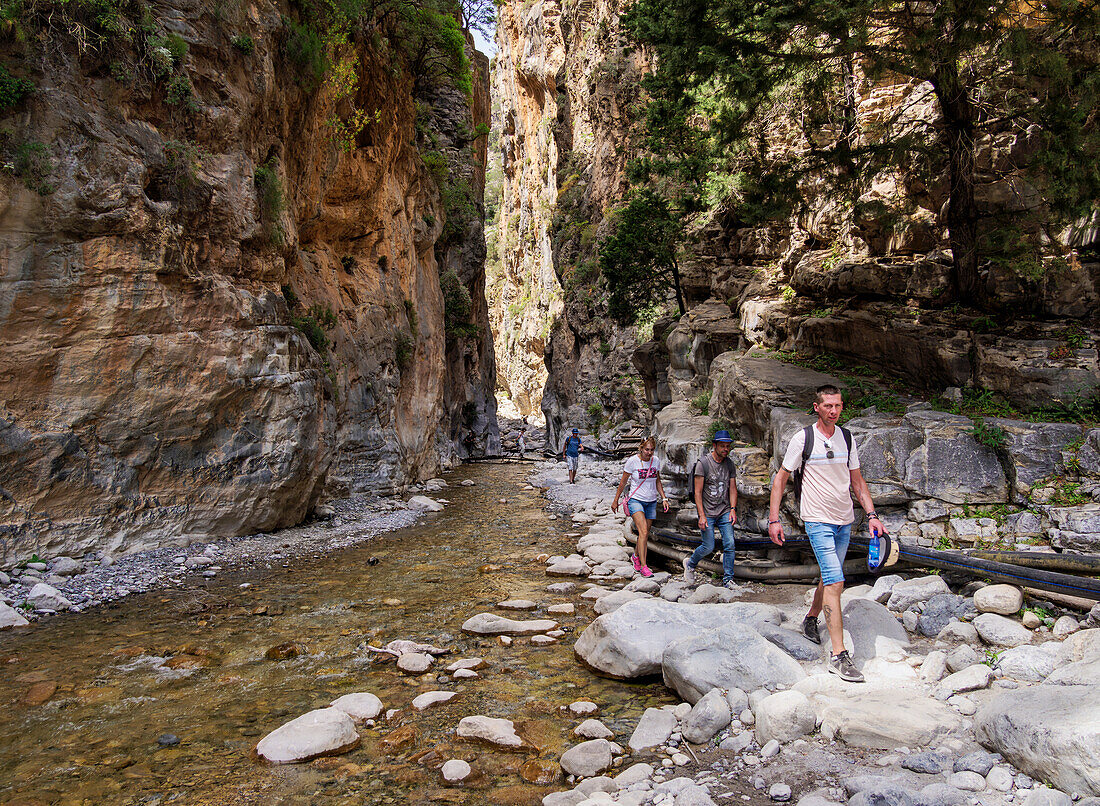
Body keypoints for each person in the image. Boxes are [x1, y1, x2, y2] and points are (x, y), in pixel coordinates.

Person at [768, 384, 886, 683]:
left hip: (844, 520)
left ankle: (810, 618)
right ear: (816, 407)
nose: (833, 411)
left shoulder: (847, 438)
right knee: (836, 581)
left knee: (827, 576)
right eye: (828, 406)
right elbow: (781, 479)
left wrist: (871, 515)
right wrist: (773, 519)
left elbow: (857, 481)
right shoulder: (803, 439)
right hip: (817, 519)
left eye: (838, 406)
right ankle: (838, 655)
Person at [683, 430, 738, 588]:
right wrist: (701, 515)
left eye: (727, 446)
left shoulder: (729, 464)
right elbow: (698, 492)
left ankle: (728, 579)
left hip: (724, 510)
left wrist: (733, 509)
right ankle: (691, 564)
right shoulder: (703, 464)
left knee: (730, 543)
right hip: (707, 511)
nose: (725, 449)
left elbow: (732, 489)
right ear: (714, 446)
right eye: (722, 446)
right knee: (708, 546)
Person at [611, 436, 669, 578]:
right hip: (636, 500)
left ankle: (636, 556)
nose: (649, 453)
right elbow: (623, 482)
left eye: (652, 450)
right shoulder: (633, 462)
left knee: (645, 533)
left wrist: (664, 498)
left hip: (651, 501)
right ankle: (644, 566)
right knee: (642, 531)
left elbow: (658, 481)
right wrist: (615, 500)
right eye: (647, 450)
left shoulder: (655, 461)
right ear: (641, 448)